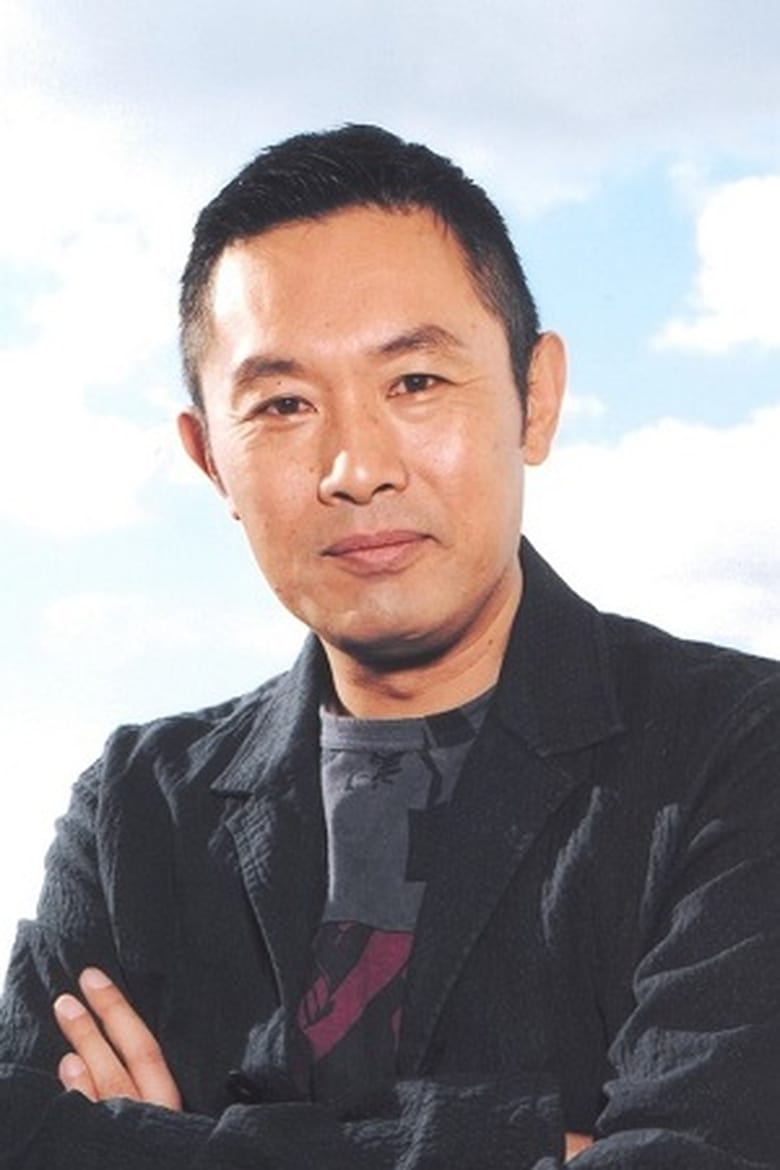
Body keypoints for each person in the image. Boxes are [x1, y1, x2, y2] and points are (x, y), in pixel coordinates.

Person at [1, 124, 778, 1170]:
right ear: (209, 458)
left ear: (536, 398)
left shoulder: (739, 752)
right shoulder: (137, 809)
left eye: (414, 382)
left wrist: (160, 1148)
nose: (356, 468)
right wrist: (528, 1144)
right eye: (283, 404)